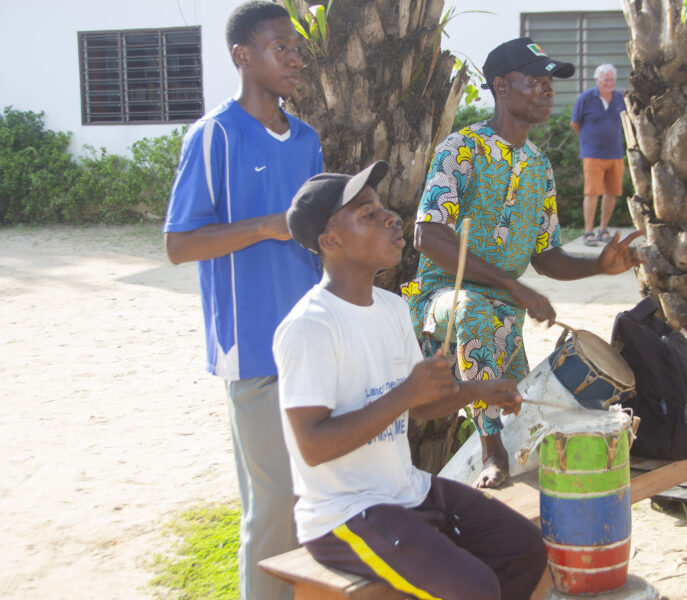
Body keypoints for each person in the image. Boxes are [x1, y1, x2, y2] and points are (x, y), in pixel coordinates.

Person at [273, 162, 547, 600]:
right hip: (344, 514)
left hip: (407, 490)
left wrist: (476, 390)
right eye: (367, 214)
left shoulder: (392, 308)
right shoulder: (310, 327)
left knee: (525, 548)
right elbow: (313, 445)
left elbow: (419, 404)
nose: (390, 217)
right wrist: (406, 393)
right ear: (330, 242)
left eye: (383, 208)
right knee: (474, 588)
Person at [403, 37, 645, 489]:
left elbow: (546, 254)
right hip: (442, 297)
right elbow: (427, 234)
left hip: (504, 314)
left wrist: (599, 266)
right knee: (473, 312)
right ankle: (491, 452)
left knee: (525, 407)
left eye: (549, 82)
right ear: (500, 86)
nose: (547, 89)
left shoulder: (539, 166)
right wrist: (514, 286)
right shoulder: (462, 148)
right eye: (534, 80)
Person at [163, 3, 322, 599]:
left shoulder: (306, 140)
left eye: (297, 47)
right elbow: (179, 245)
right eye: (281, 47)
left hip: (311, 345)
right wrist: (267, 225)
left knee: (311, 498)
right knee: (272, 504)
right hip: (252, 351)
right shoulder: (214, 136)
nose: (295, 58)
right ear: (242, 55)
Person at [571, 64, 627, 246]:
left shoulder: (620, 98)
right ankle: (588, 232)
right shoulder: (585, 98)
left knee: (612, 192)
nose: (609, 83)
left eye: (612, 79)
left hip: (616, 154)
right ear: (597, 80)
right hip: (593, 154)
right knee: (592, 192)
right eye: (606, 80)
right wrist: (589, 140)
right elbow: (575, 124)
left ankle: (603, 229)